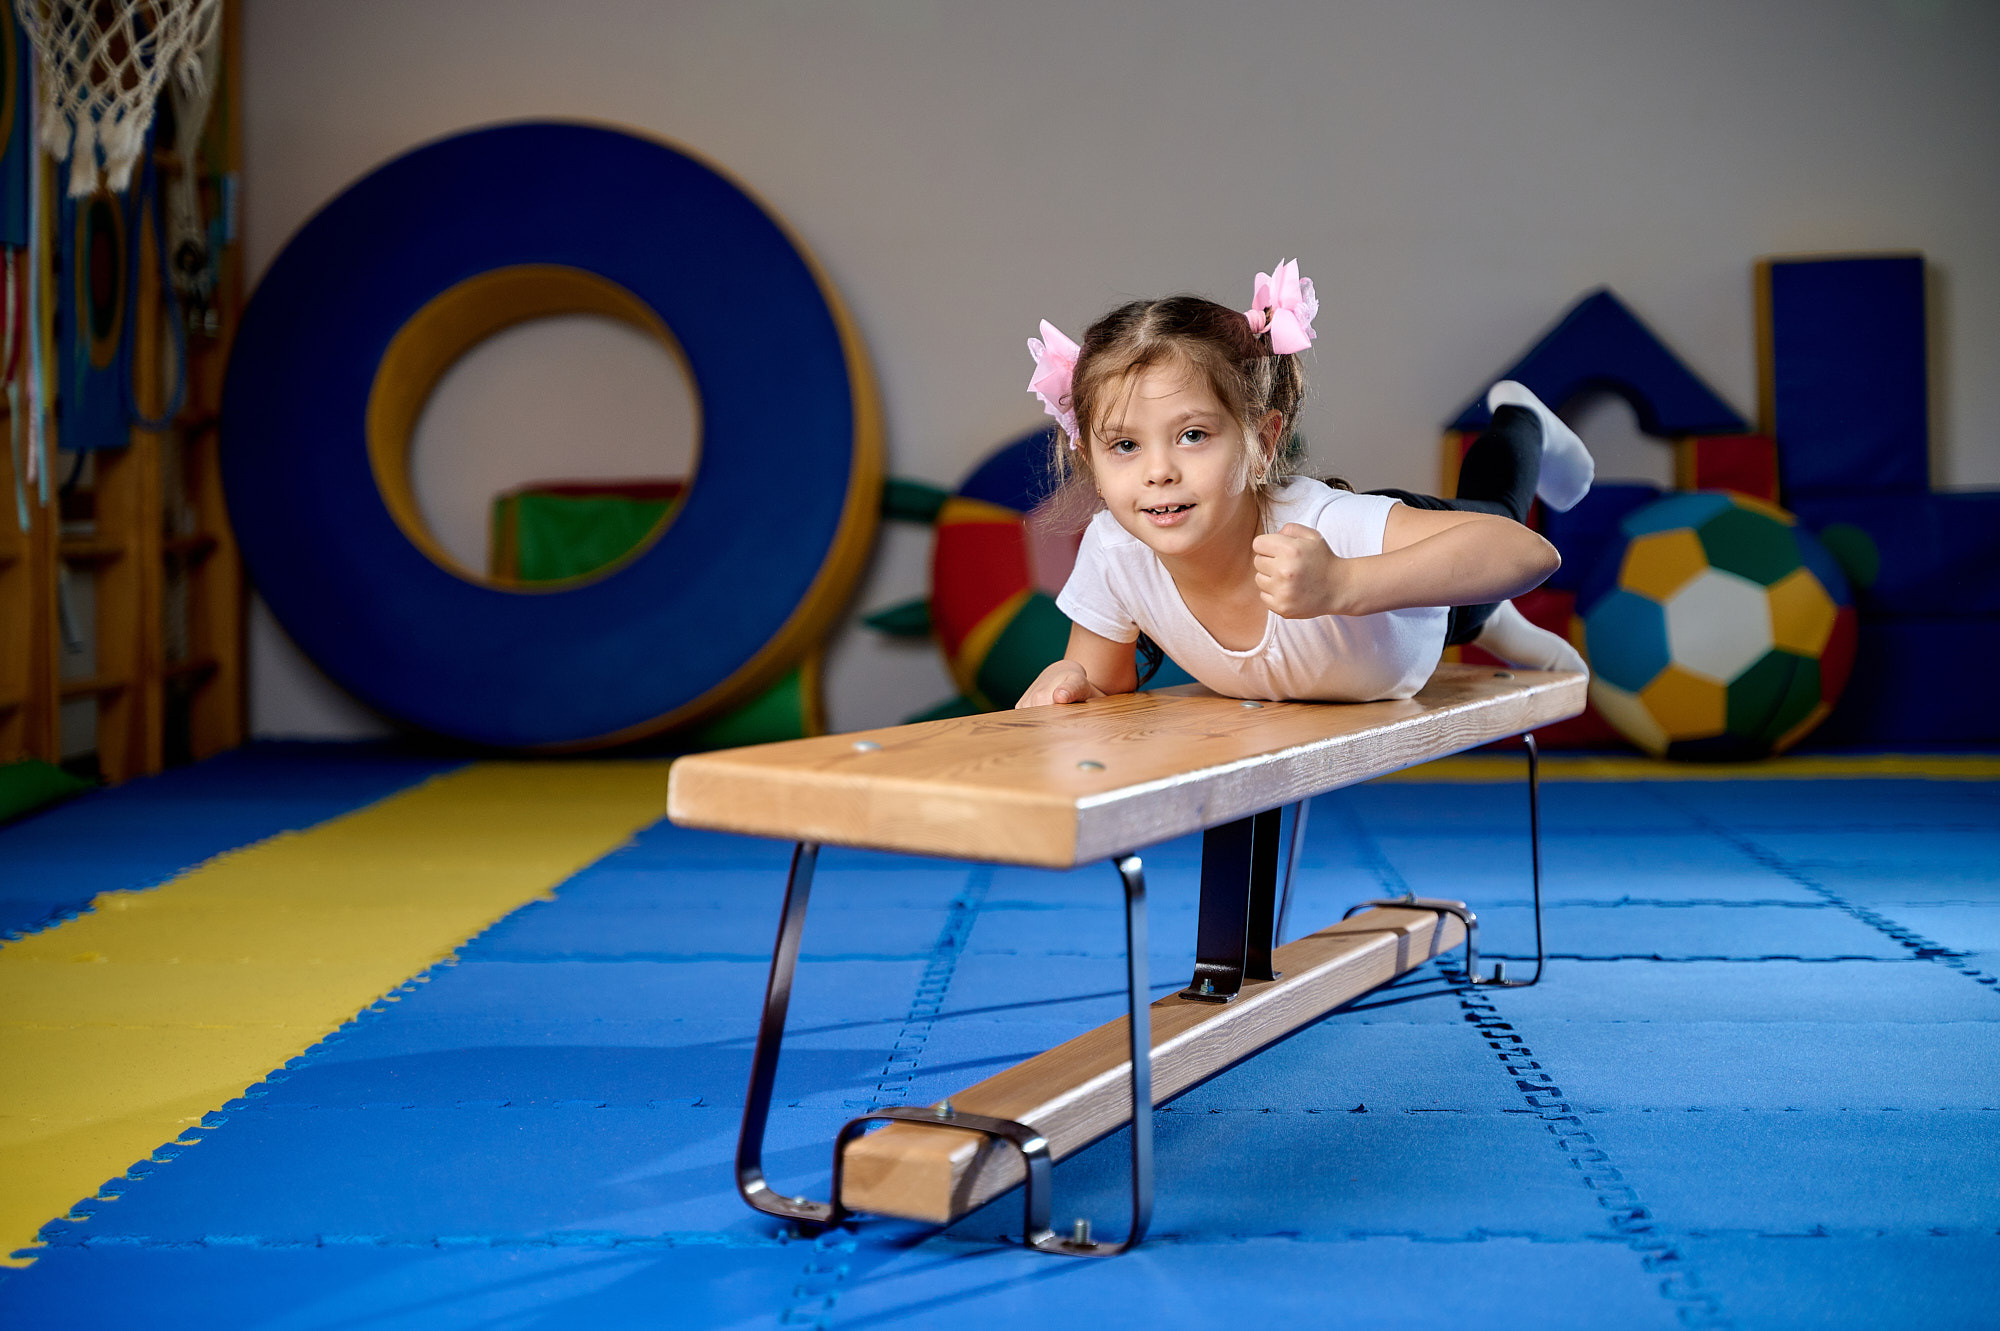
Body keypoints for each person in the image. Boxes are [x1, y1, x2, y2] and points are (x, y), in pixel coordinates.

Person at [1016, 260, 1591, 710]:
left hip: (1401, 591)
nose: (1157, 471)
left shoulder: (1328, 528)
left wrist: (1341, 582)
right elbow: (1106, 680)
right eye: (1124, 445)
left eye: (1192, 435)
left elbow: (1525, 551)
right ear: (1088, 456)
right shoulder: (1116, 549)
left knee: (1497, 511)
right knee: (1476, 590)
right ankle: (1492, 618)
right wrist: (1069, 680)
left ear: (1263, 444)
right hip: (1360, 653)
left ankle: (1522, 418)